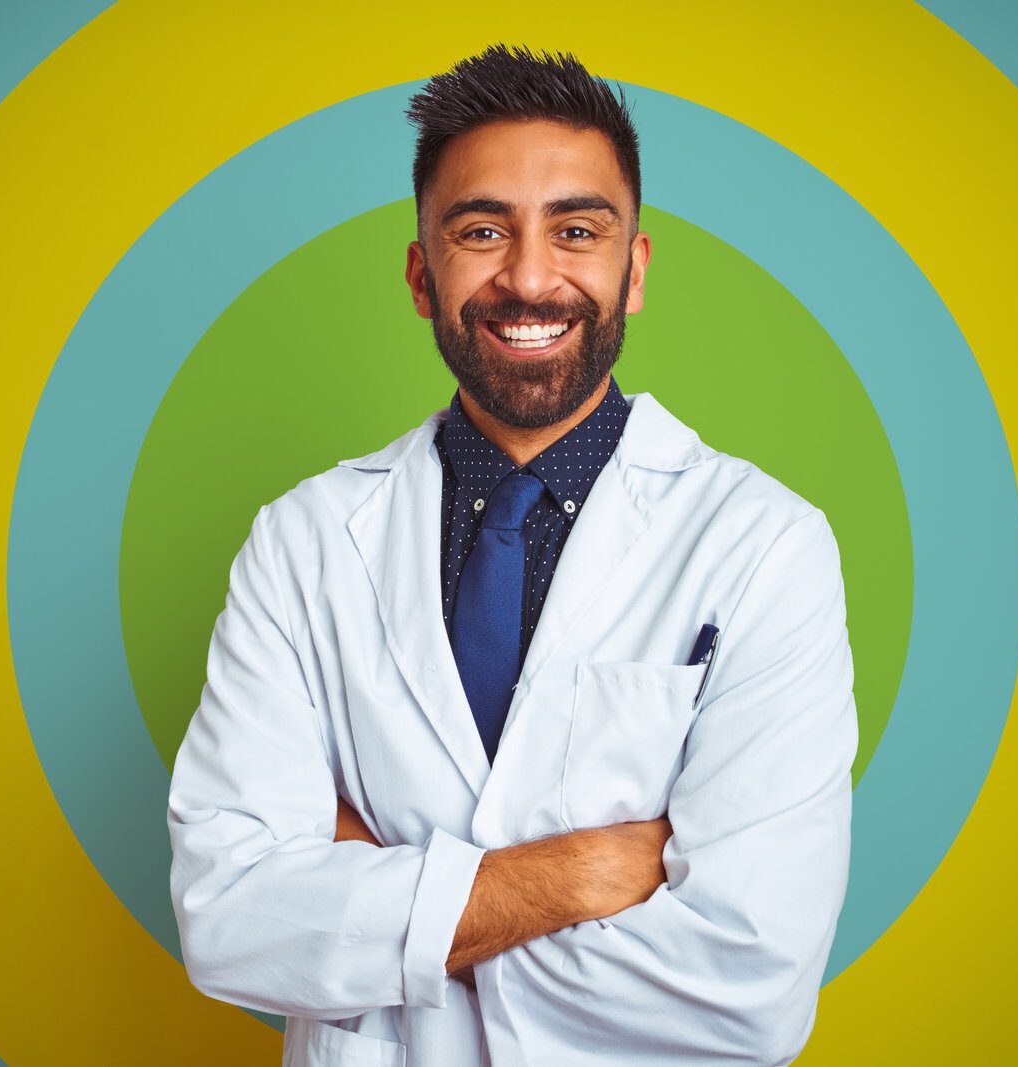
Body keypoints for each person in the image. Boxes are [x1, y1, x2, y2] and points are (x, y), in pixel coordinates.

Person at [168, 44, 857, 1066]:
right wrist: (579, 873)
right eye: (481, 230)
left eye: (576, 230)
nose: (529, 276)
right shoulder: (302, 541)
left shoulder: (763, 545)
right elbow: (229, 919)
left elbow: (746, 986)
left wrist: (379, 903)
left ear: (633, 270)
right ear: (420, 273)